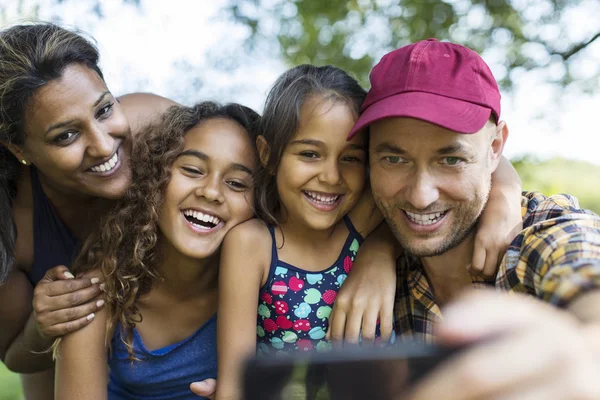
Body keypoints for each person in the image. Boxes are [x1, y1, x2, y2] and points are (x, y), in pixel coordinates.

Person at [211, 64, 522, 400]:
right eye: (310, 154)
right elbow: (235, 383)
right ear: (268, 155)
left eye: (351, 158)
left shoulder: (369, 216)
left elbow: (478, 152)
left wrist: (505, 198)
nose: (331, 176)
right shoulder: (252, 245)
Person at [344, 38, 600, 398]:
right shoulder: (358, 253)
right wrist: (377, 247)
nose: (421, 195)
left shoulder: (542, 231)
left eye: (451, 160)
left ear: (495, 148)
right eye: (394, 159)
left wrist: (586, 353)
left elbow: (582, 263)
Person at [0, 22, 176, 399]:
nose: (103, 145)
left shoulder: (158, 127)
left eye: (104, 109)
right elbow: (16, 356)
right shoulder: (13, 227)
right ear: (20, 150)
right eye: (66, 135)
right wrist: (43, 324)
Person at [54, 102, 260, 400]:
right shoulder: (100, 292)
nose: (212, 192)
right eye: (192, 170)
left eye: (237, 183)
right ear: (154, 179)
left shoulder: (271, 295)